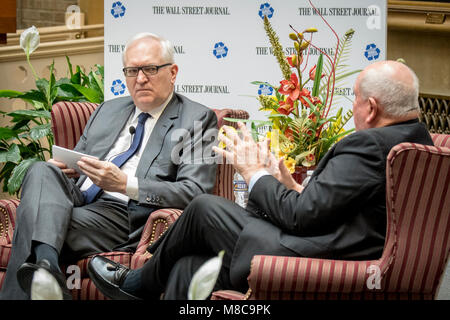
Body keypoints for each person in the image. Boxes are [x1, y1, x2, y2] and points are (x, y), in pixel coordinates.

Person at [87, 60, 433, 300]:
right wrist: (289, 186)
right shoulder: (419, 143)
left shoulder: (368, 145)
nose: (354, 108)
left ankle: (135, 284)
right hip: (347, 250)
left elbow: (300, 217)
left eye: (355, 100)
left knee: (205, 208)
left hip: (321, 258)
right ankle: (144, 280)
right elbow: (342, 208)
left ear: (371, 108)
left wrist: (255, 174)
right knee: (190, 266)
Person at [0, 32, 218, 300]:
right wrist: (65, 168)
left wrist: (125, 184)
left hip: (123, 213)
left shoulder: (197, 119)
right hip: (77, 199)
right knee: (41, 170)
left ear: (172, 72)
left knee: (34, 218)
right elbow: (76, 162)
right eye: (132, 70)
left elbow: (195, 191)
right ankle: (46, 268)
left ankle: (43, 266)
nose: (140, 79)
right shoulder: (108, 110)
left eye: (150, 69)